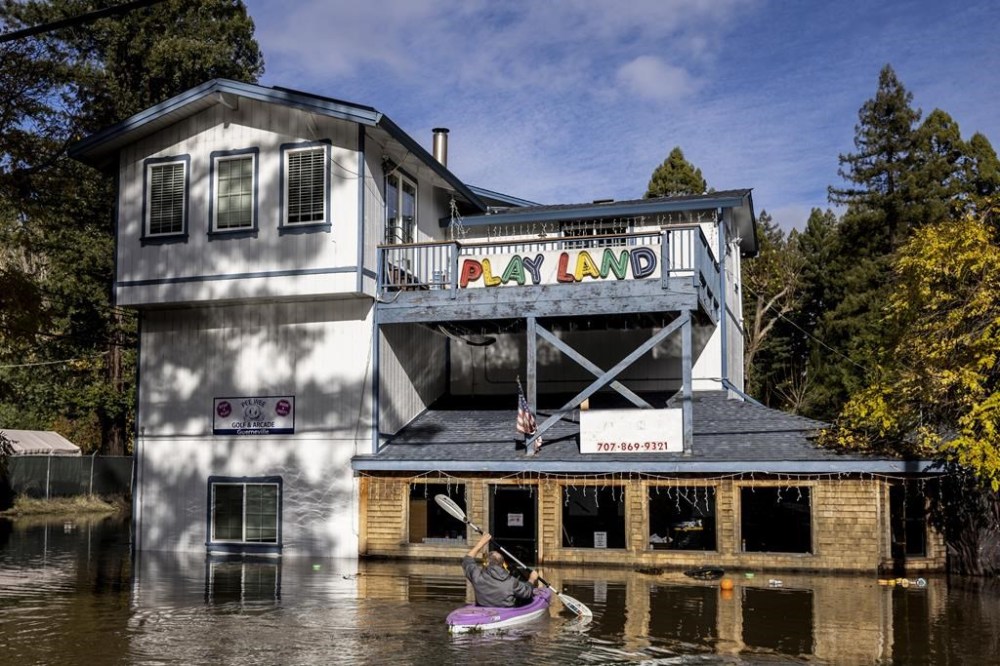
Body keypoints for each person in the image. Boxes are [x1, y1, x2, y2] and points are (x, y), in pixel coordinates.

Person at [461, 532, 539, 607]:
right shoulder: (512, 582)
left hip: (484, 609)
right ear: (502, 564)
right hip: (505, 612)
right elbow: (527, 593)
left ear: (487, 563)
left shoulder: (477, 576)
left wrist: (481, 542)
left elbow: (467, 560)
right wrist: (532, 579)